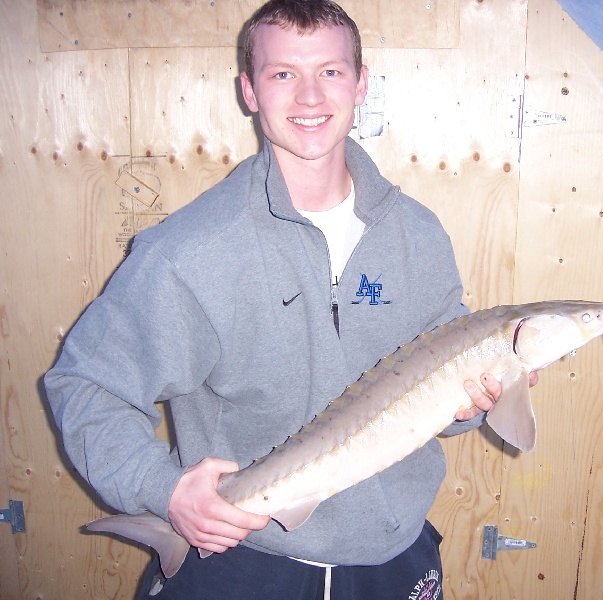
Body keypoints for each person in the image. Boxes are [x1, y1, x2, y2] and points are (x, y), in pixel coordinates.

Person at [44, 1, 537, 598]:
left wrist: (477, 405)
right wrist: (165, 489)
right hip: (246, 557)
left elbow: (447, 398)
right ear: (249, 91)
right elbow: (86, 385)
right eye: (283, 74)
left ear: (360, 86)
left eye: (330, 72)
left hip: (392, 555)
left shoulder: (418, 235)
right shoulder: (190, 252)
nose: (309, 96)